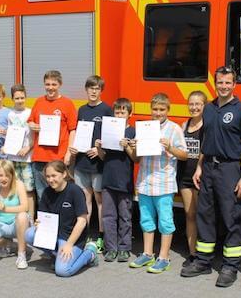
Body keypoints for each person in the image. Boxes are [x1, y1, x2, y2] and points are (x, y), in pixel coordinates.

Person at [182, 66, 241, 288]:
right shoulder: (209, 109)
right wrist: (200, 167)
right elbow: (207, 140)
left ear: (234, 85)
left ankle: (230, 266)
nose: (223, 86)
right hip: (209, 169)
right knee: (205, 215)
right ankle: (203, 261)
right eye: (220, 82)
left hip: (230, 169)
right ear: (215, 83)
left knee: (231, 217)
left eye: (227, 82)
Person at [129, 93, 187, 273]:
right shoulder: (145, 128)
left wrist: (170, 147)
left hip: (164, 183)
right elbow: (136, 159)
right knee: (146, 220)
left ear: (168, 110)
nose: (158, 112)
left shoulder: (175, 129)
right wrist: (133, 147)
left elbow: (184, 155)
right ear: (150, 109)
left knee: (165, 221)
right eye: (155, 109)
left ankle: (164, 257)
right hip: (145, 182)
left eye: (162, 109)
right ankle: (147, 254)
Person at [25, 160, 99, 277]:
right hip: (54, 235)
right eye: (48, 176)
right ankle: (56, 255)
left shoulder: (75, 191)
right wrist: (39, 223)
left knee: (63, 271)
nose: (50, 180)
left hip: (72, 238)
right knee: (29, 234)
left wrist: (69, 244)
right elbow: (44, 217)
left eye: (54, 175)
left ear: (64, 174)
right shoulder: (47, 192)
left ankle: (89, 254)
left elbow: (82, 221)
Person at [69, 75, 112, 253]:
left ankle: (101, 236)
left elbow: (112, 138)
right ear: (86, 89)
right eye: (91, 88)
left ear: (101, 90)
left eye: (97, 88)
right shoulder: (81, 110)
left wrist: (100, 150)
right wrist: (73, 151)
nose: (93, 91)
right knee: (84, 200)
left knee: (99, 200)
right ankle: (84, 232)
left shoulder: (107, 110)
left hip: (98, 163)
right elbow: (76, 133)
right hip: (81, 162)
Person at [95, 98, 137, 263]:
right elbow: (104, 157)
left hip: (124, 182)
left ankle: (124, 248)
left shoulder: (132, 132)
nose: (119, 115)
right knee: (108, 216)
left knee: (125, 216)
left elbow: (135, 157)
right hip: (108, 180)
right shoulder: (108, 130)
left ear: (130, 114)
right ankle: (110, 248)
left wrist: (126, 145)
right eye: (117, 112)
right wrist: (98, 147)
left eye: (123, 112)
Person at [27, 70, 77, 200]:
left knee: (61, 193)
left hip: (58, 157)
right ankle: (45, 219)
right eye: (47, 84)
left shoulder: (67, 103)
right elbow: (30, 121)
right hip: (39, 156)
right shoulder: (39, 102)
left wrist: (68, 153)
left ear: (60, 84)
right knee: (42, 194)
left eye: (54, 84)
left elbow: (73, 130)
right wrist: (32, 125)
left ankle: (61, 220)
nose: (50, 88)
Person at [176, 91, 207, 271]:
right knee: (190, 215)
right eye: (192, 104)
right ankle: (193, 254)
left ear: (204, 106)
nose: (194, 107)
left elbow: (206, 150)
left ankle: (204, 254)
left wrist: (200, 169)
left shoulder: (207, 127)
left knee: (203, 217)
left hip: (200, 178)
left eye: (198, 104)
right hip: (185, 177)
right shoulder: (184, 125)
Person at [0, 160, 30, 269]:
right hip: (1, 223)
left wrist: (5, 208)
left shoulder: (19, 185)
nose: (3, 179)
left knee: (22, 216)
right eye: (0, 175)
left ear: (12, 175)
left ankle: (21, 254)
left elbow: (25, 207)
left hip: (17, 223)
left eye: (7, 175)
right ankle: (6, 242)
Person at [7, 84, 35, 221]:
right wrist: (6, 148)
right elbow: (9, 135)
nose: (20, 100)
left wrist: (27, 148)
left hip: (26, 158)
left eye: (22, 98)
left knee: (29, 190)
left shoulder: (30, 113)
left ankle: (30, 218)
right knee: (17, 189)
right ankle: (18, 217)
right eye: (17, 98)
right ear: (12, 98)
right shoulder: (10, 114)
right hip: (12, 157)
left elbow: (35, 137)